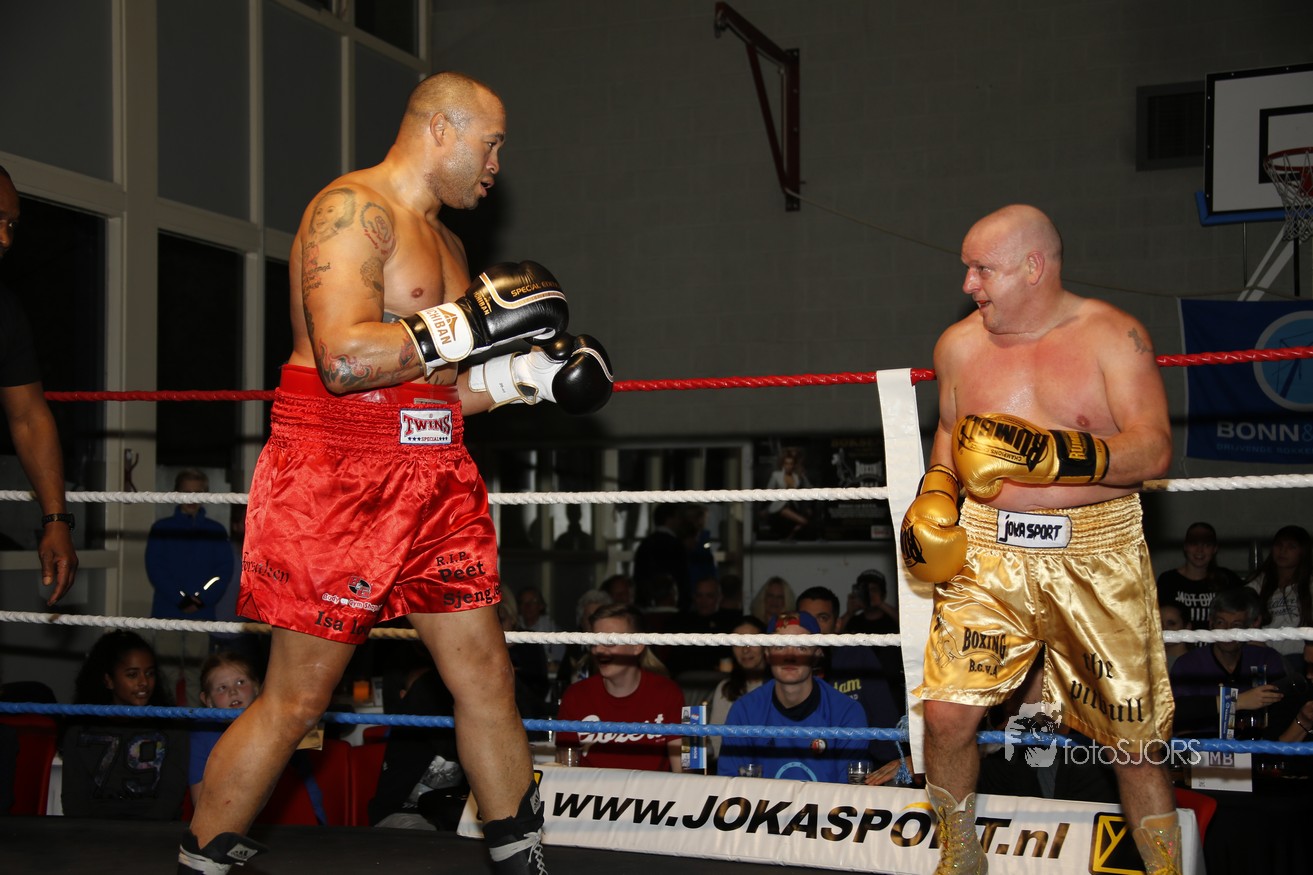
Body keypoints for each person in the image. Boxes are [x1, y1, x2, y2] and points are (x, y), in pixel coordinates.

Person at [180, 72, 613, 875]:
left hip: (434, 474)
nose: (497, 164)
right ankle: (203, 858)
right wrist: (473, 320)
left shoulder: (448, 245)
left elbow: (439, 391)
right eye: (490, 144)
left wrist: (525, 378)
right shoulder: (350, 211)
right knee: (298, 698)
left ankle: (522, 858)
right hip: (338, 474)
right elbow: (345, 359)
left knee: (486, 674)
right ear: (440, 129)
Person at [900, 205, 1180, 875]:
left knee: (1133, 744)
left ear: (1033, 267)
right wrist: (935, 493)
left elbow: (1153, 449)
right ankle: (959, 857)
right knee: (945, 717)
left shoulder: (1113, 336)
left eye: (982, 269)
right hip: (988, 551)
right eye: (966, 268)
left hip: (1095, 552)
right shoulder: (957, 345)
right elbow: (950, 432)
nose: (968, 284)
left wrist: (1054, 455)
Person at [0, 165, 77, 606]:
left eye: (12, 225)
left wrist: (56, 520)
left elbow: (29, 417)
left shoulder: (6, 312)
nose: (5, 238)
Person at [716, 610, 868, 783]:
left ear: (817, 653)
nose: (790, 656)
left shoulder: (846, 713)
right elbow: (730, 787)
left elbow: (852, 793)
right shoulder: (744, 712)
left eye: (801, 646)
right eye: (780, 646)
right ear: (767, 653)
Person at [61, 630, 189, 820]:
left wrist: (141, 833)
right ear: (108, 680)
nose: (144, 682)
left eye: (150, 673)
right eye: (132, 674)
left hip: (155, 831)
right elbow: (74, 801)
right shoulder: (80, 729)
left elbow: (170, 798)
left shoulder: (172, 728)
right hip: (94, 831)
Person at [554, 603, 686, 771]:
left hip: (650, 788)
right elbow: (565, 769)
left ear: (637, 646)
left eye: (610, 642)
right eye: (595, 642)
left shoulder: (667, 693)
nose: (598, 650)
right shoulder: (576, 696)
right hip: (591, 788)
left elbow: (682, 773)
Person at [796, 586, 901, 764]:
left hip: (857, 766)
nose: (814, 627)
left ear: (837, 624)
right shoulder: (783, 661)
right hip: (798, 764)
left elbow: (884, 718)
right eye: (806, 619)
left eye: (822, 618)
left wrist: (882, 768)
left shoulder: (857, 655)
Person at [1169, 587, 1286, 739]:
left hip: (1256, 745)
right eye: (1221, 623)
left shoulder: (1265, 659)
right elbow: (1176, 713)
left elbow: (1282, 711)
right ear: (1211, 624)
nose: (1227, 631)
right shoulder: (1188, 664)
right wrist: (1237, 702)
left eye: (1236, 625)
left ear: (1249, 628)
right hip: (1203, 748)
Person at [146, 468, 233, 621]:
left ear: (206, 495)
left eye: (198, 492)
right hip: (167, 612)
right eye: (186, 492)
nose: (192, 498)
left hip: (202, 614)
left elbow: (223, 571)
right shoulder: (162, 528)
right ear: (176, 493)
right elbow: (156, 569)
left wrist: (202, 598)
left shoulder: (216, 531)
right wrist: (179, 598)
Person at [189, 652, 262, 806]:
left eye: (241, 682)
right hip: (223, 810)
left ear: (256, 688)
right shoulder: (203, 733)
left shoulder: (273, 722)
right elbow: (199, 801)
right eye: (222, 688)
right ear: (208, 700)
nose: (233, 691)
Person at [1246, 524, 1312, 677]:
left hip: (1300, 658)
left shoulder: (1310, 585)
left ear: (1302, 552)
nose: (1283, 551)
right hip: (1264, 655)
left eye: (1291, 547)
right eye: (1279, 545)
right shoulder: (1258, 583)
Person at [1155, 521, 1242, 629]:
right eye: (1194, 544)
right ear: (1185, 546)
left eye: (1207, 545)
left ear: (1215, 548)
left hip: (1219, 640)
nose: (1200, 550)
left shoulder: (1227, 579)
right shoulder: (1168, 580)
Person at [706, 615, 768, 762]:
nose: (745, 650)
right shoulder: (726, 688)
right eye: (738, 643)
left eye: (752, 641)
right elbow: (716, 741)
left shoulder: (781, 687)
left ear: (766, 645)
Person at [632, 504, 692, 610]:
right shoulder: (675, 545)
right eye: (678, 517)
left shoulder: (645, 544)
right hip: (673, 606)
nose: (680, 521)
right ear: (669, 519)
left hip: (646, 604)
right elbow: (682, 578)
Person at [762, 447, 814, 541]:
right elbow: (768, 491)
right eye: (786, 463)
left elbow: (808, 487)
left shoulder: (796, 477)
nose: (788, 466)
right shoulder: (776, 475)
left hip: (793, 506)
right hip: (780, 506)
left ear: (793, 465)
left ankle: (789, 537)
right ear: (783, 464)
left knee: (807, 521)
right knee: (803, 522)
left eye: (791, 464)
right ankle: (790, 537)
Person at [516, 585, 563, 668]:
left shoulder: (553, 631)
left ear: (541, 605)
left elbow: (559, 663)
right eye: (523, 602)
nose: (528, 606)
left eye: (532, 601)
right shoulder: (513, 629)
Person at [1158, 599, 1192, 673]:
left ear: (1187, 627)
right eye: (1159, 623)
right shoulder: (1146, 661)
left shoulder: (1197, 663)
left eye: (1171, 623)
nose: (1164, 628)